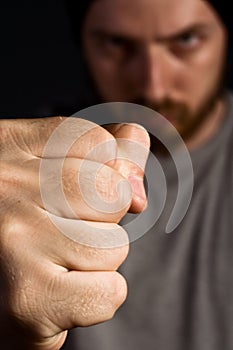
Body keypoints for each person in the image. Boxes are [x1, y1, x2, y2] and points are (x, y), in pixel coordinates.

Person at [0, 1, 232, 350]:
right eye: (117, 44)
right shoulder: (18, 172)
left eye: (185, 40)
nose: (153, 86)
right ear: (82, 42)